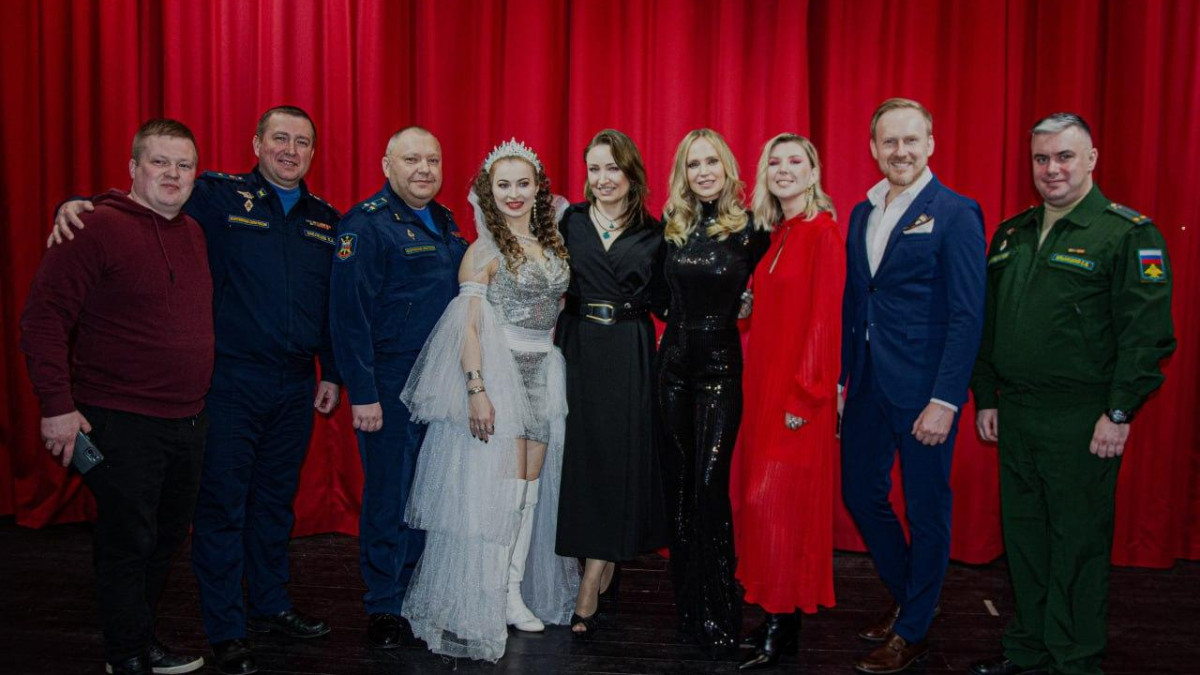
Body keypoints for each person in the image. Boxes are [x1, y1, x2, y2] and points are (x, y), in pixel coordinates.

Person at [53, 105, 343, 675]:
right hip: (229, 381)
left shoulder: (326, 219)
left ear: (313, 151)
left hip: (294, 385)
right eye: (279, 138)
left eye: (302, 142)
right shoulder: (216, 195)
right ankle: (227, 629)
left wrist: (330, 370)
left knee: (273, 505)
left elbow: (329, 302)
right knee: (222, 508)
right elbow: (149, 197)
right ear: (256, 143)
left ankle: (270, 605)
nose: (290, 150)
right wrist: (80, 203)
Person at [968, 113, 1175, 675]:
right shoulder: (1012, 233)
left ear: (1091, 159)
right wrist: (986, 395)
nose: (1052, 169)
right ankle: (1028, 648)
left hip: (1082, 418)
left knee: (1077, 546)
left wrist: (1119, 411)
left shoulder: (1127, 233)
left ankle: (1075, 659)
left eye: (1064, 156)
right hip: (1017, 413)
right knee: (1026, 541)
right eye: (1041, 158)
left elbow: (1147, 334)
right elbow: (988, 324)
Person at [21, 119, 212, 675]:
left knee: (165, 537)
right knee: (128, 540)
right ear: (133, 167)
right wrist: (57, 407)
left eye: (184, 165)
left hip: (188, 420)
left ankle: (140, 637)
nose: (172, 174)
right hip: (119, 418)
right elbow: (42, 320)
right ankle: (125, 654)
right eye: (160, 162)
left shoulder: (194, 232)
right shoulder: (92, 226)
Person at [398, 139, 579, 662]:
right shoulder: (482, 250)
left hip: (544, 373)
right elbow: (469, 329)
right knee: (499, 491)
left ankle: (512, 592)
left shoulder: (552, 245)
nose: (514, 193)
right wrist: (477, 390)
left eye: (523, 183)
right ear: (489, 191)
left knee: (529, 492)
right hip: (501, 375)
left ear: (538, 189)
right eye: (504, 185)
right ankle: (486, 594)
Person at [839, 98, 986, 674]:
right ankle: (913, 599)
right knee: (860, 493)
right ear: (873, 148)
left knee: (926, 510)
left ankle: (914, 630)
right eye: (889, 142)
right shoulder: (862, 212)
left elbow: (968, 315)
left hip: (926, 392)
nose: (900, 151)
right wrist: (845, 381)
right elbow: (858, 301)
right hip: (867, 385)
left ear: (930, 144)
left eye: (910, 140)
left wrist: (946, 399)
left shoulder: (956, 212)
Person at [328, 126, 468, 649]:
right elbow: (349, 315)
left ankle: (415, 593)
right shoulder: (365, 225)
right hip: (390, 381)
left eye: (432, 159)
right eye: (412, 159)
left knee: (428, 491)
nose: (424, 169)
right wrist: (362, 392)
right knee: (390, 493)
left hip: (442, 382)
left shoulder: (447, 223)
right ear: (387, 165)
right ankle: (384, 603)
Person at [656, 128, 770, 653]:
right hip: (672, 368)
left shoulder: (752, 229)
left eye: (711, 162)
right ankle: (690, 611)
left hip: (721, 369)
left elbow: (780, 287)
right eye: (693, 164)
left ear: (727, 168)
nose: (703, 172)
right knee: (679, 487)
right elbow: (657, 295)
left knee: (708, 485)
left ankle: (722, 614)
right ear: (683, 172)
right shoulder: (672, 227)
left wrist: (749, 303)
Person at [732, 133, 843, 670]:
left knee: (775, 503)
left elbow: (825, 319)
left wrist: (807, 393)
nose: (784, 169)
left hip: (799, 394)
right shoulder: (778, 233)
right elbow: (765, 311)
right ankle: (778, 619)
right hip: (763, 387)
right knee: (765, 506)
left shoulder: (824, 233)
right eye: (774, 162)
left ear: (813, 171)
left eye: (795, 160)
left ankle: (782, 625)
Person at [554, 129, 669, 636]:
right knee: (582, 459)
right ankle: (597, 560)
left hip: (628, 349)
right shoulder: (569, 221)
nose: (603, 179)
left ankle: (591, 578)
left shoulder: (654, 231)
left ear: (631, 173)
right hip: (576, 346)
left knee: (617, 460)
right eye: (594, 169)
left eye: (612, 168)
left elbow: (668, 301)